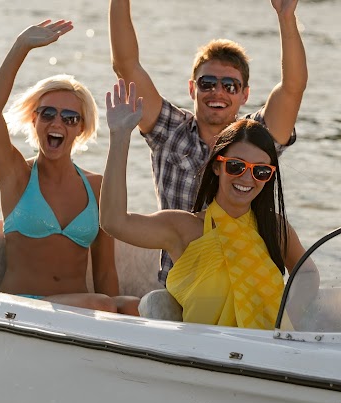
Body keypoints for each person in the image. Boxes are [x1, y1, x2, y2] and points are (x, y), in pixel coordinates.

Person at [109, 0, 307, 284]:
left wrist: (286, 17)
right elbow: (126, 66)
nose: (218, 92)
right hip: (181, 287)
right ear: (192, 88)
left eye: (230, 86)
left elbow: (292, 88)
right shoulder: (169, 129)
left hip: (246, 284)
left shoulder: (256, 136)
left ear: (245, 94)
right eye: (207, 83)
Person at [101, 80, 312, 329]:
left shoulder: (274, 227)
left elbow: (307, 273)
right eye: (236, 166)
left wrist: (286, 320)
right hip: (205, 350)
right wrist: (119, 136)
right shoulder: (184, 228)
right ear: (217, 166)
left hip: (267, 349)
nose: (247, 178)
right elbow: (114, 222)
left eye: (261, 171)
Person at [0, 20, 139, 315]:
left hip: (76, 312)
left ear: (80, 128)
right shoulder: (16, 176)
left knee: (135, 306)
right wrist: (21, 47)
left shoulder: (96, 187)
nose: (57, 123)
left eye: (69, 118)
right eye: (48, 114)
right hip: (21, 308)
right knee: (102, 304)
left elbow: (105, 272)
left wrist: (118, 322)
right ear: (34, 120)